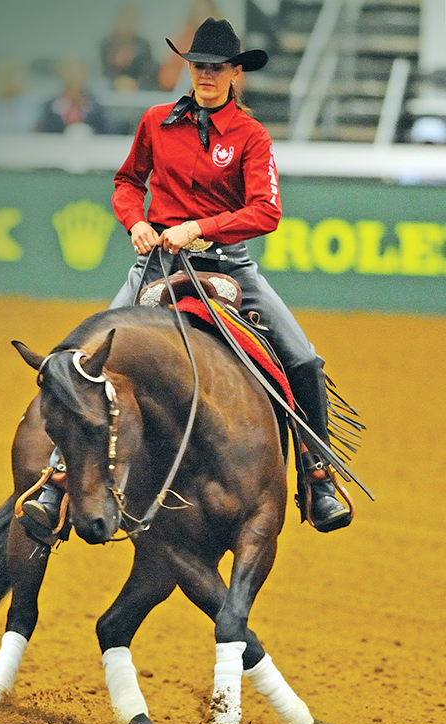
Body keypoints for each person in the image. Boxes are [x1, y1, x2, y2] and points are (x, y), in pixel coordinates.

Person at [21, 17, 353, 541]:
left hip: (228, 266)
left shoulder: (251, 136)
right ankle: (58, 478)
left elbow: (266, 211)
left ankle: (318, 475)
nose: (206, 76)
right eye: (199, 66)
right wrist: (136, 222)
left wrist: (202, 227)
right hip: (155, 266)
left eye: (217, 68)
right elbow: (127, 181)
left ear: (235, 74)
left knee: (303, 359)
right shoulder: (156, 122)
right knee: (83, 363)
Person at [37, 56, 110, 134]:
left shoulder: (96, 106)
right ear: (61, 74)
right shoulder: (50, 106)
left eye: (80, 72)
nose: (75, 77)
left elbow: (105, 132)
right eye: (70, 72)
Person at [100, 3, 159, 92]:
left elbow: (148, 72)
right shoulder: (106, 44)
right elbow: (103, 71)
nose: (128, 24)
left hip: (137, 91)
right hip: (110, 90)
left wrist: (135, 84)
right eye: (125, 19)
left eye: (132, 20)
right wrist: (117, 82)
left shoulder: (143, 45)